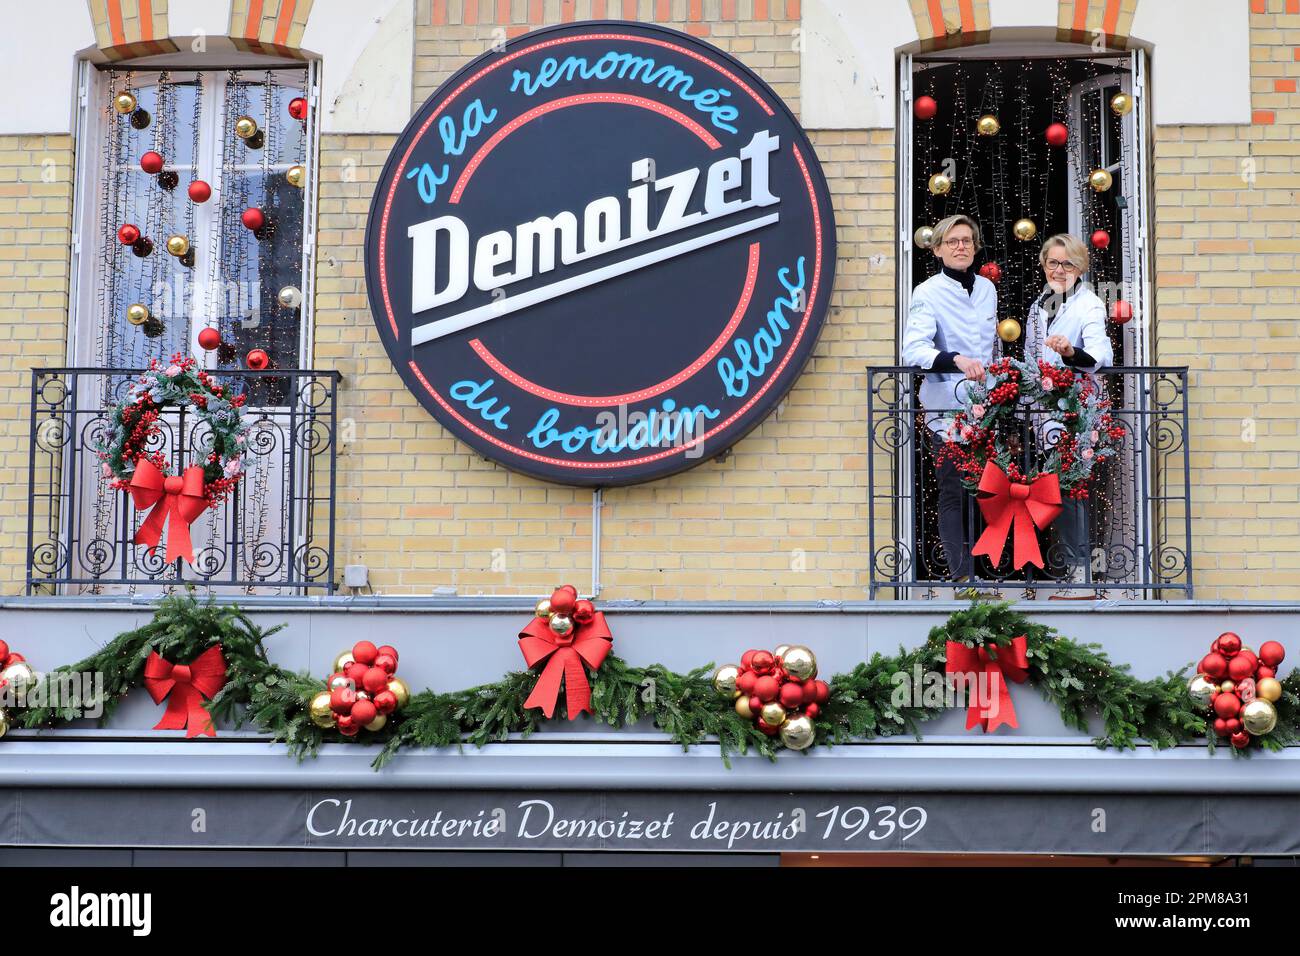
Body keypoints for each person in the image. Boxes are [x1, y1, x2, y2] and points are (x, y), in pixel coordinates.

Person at [901, 214, 998, 590]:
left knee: (988, 488)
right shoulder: (926, 292)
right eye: (953, 241)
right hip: (946, 407)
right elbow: (914, 350)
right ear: (938, 249)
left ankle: (988, 568)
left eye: (967, 240)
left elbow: (991, 344)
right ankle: (960, 573)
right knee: (953, 488)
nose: (961, 246)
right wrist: (955, 359)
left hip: (987, 404)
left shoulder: (987, 288)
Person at [1024, 233, 1114, 589]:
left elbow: (1100, 355)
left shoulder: (1089, 304)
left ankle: (1080, 570)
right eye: (1053, 263)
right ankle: (1062, 567)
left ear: (1080, 268)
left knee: (1070, 488)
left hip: (1076, 411)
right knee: (1050, 490)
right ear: (1044, 264)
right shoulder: (1038, 307)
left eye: (1068, 264)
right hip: (1043, 413)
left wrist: (1069, 352)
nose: (1059, 270)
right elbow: (1033, 359)